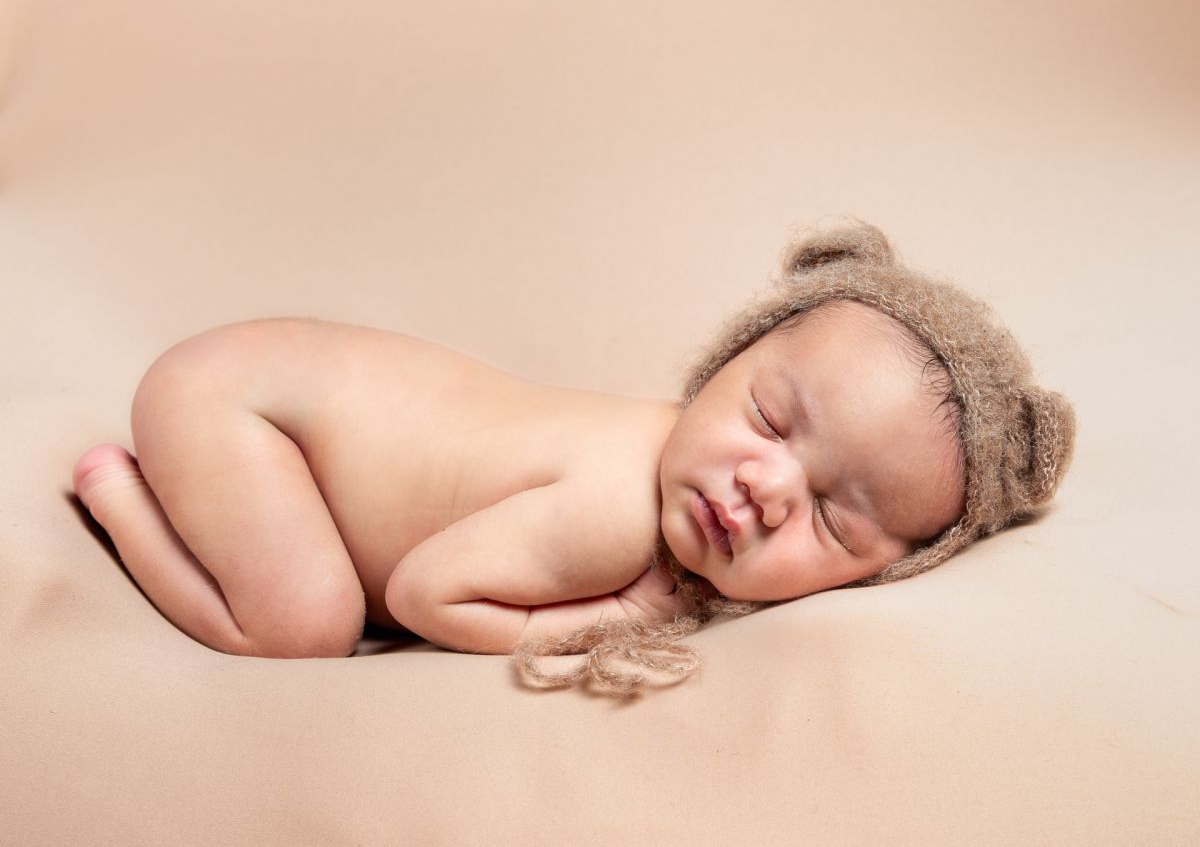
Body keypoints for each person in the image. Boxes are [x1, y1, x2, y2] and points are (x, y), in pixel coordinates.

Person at [71, 221, 1075, 694]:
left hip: (288, 383)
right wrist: (618, 617)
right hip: (244, 409)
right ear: (722, 366)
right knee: (308, 626)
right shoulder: (611, 515)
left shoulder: (682, 464)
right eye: (768, 422)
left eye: (830, 519)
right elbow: (426, 595)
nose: (764, 491)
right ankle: (128, 506)